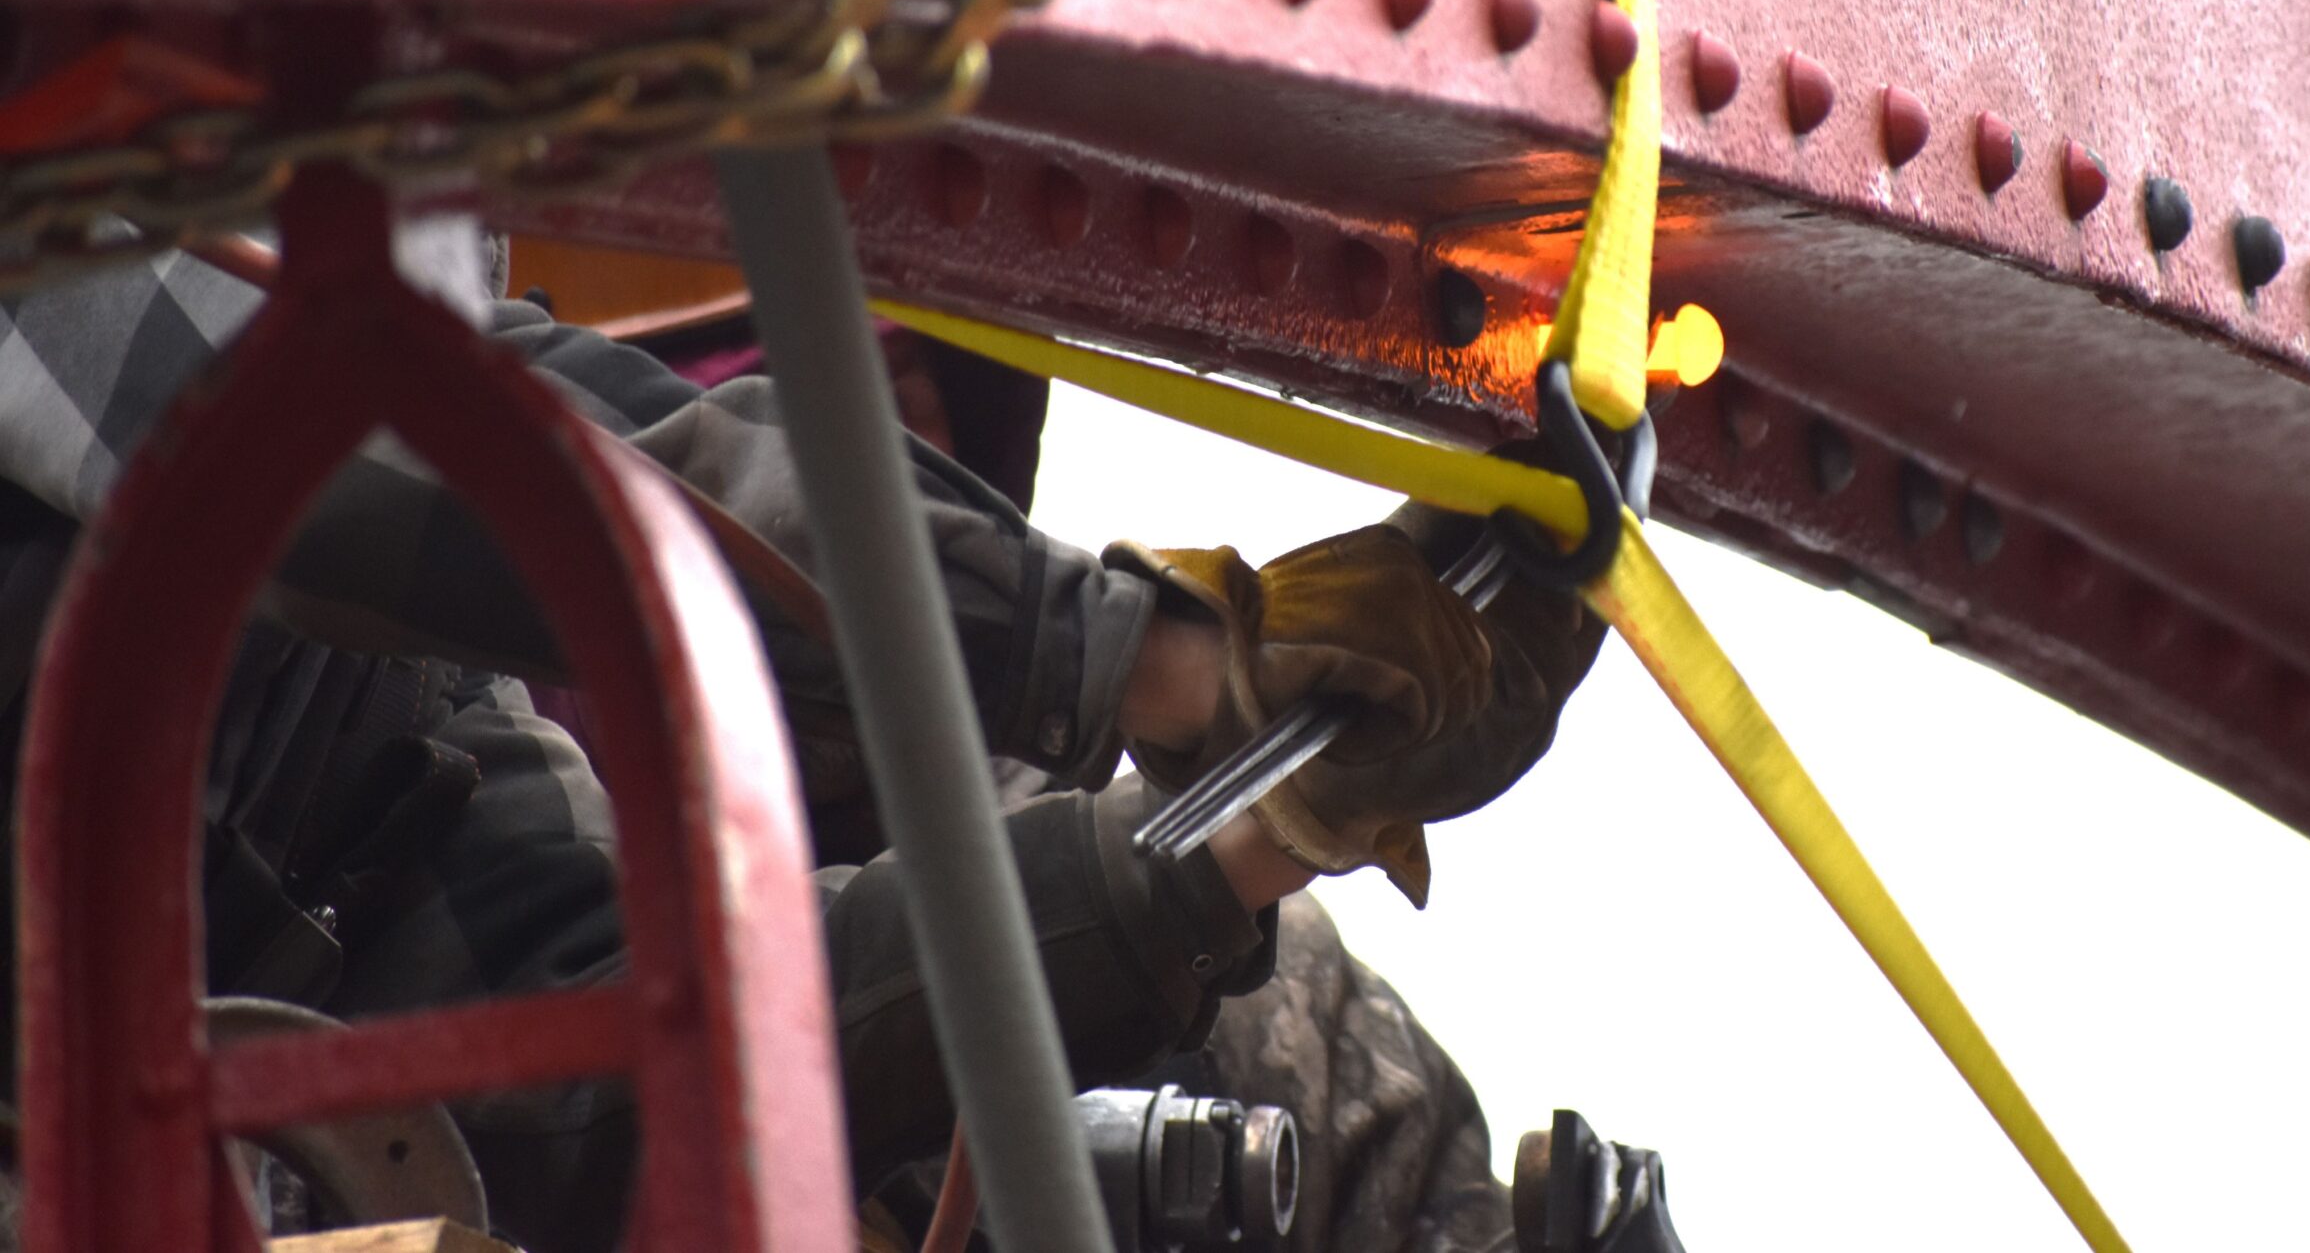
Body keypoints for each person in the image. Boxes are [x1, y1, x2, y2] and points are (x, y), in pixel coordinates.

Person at [0, 221, 1606, 1253]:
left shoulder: (367, 739)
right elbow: (339, 418)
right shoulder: (61, 175)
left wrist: (1241, 845)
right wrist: (1149, 662)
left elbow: (620, 1038)